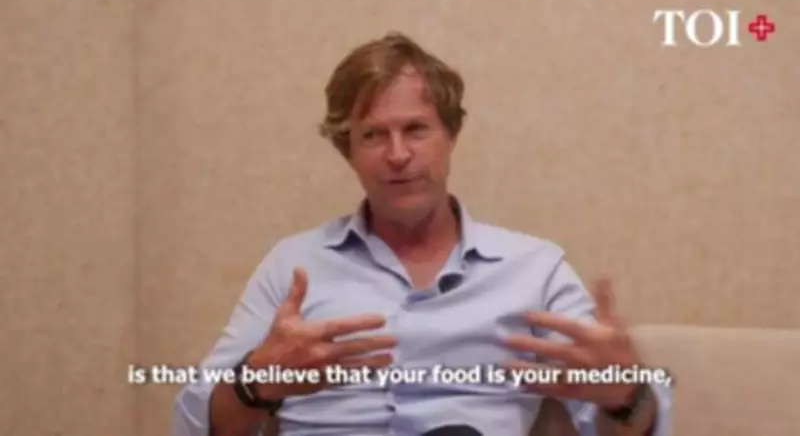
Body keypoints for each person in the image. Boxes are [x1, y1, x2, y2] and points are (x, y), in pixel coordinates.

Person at [173, 32, 673, 436]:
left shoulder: (536, 270)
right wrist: (255, 384)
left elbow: (635, 428)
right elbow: (198, 425)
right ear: (349, 152)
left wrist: (626, 395)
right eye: (374, 135)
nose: (397, 155)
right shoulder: (293, 267)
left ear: (450, 136)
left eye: (415, 129)